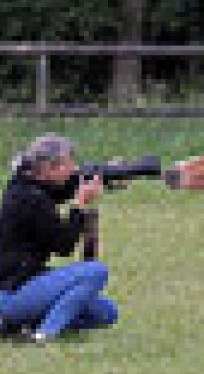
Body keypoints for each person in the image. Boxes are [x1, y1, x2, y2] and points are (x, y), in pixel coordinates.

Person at [0, 133, 118, 343]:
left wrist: (107, 177)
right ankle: (43, 334)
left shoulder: (27, 183)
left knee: (106, 312)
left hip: (25, 282)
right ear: (47, 168)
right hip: (10, 292)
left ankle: (17, 326)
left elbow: (60, 189)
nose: (74, 169)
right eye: (68, 165)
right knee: (96, 272)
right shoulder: (31, 200)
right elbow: (64, 246)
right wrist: (80, 205)